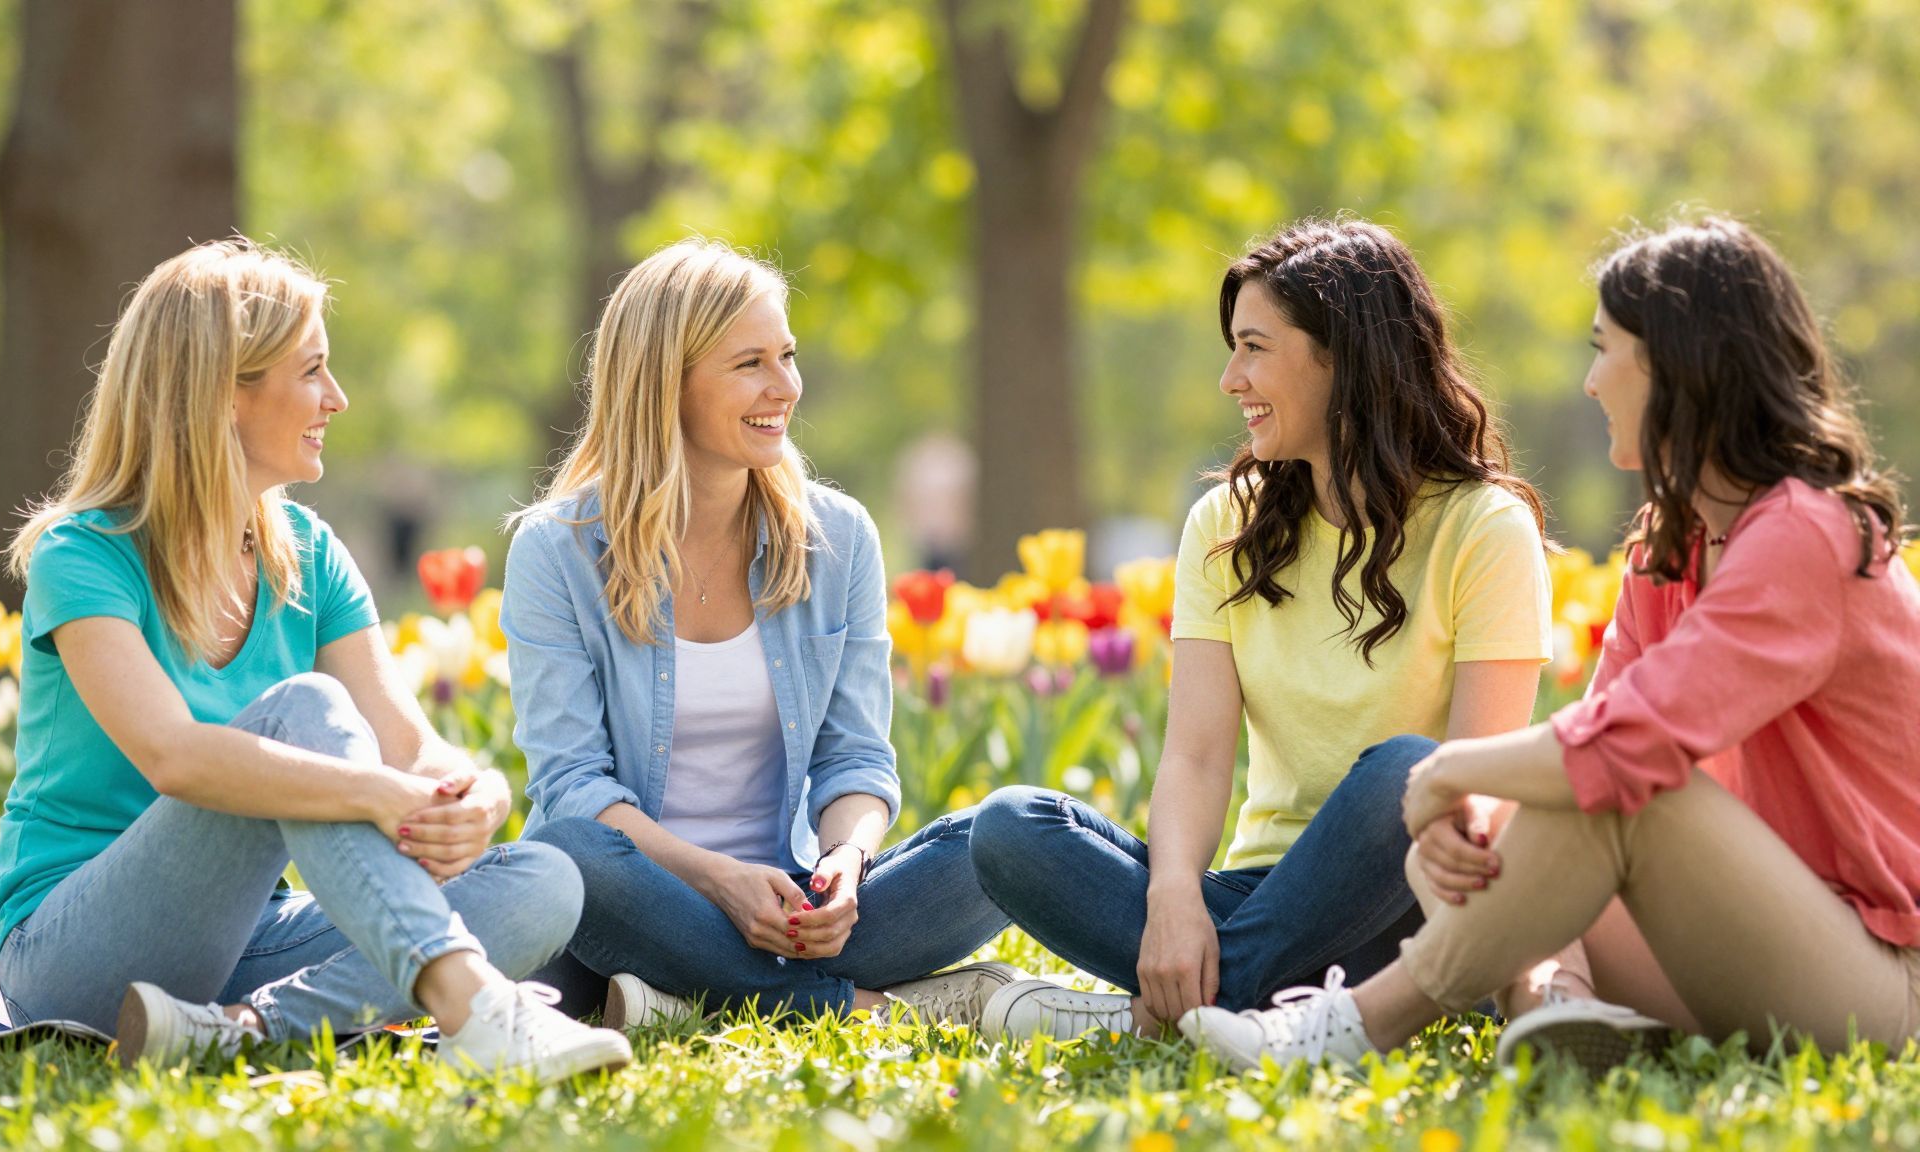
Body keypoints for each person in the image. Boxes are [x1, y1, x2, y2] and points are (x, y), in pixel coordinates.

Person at [1179, 217, 1920, 1076]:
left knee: (1627, 791)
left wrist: (1444, 776)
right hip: (1742, 940)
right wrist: (1470, 813)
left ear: (1680, 365)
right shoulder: (1669, 547)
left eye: (1606, 351)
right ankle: (1554, 1008)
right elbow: (1592, 737)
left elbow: (1626, 746)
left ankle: (1352, 1027)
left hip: (1883, 975)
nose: (1591, 382)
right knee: (1487, 825)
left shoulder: (1806, 534)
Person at [0, 238, 629, 1078]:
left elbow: (411, 748)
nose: (338, 398)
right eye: (313, 370)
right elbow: (175, 757)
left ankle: (241, 1028)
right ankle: (476, 1008)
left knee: (544, 881)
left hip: (247, 940)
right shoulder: (85, 555)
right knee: (306, 709)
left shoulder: (308, 554)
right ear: (223, 392)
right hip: (75, 956)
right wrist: (374, 793)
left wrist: (471, 794)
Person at [969, 218, 1553, 1040]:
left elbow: (1472, 789)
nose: (1229, 379)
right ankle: (1247, 999)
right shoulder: (1224, 526)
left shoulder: (1483, 527)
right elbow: (1197, 755)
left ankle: (1160, 1016)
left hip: (1410, 902)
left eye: (1254, 348)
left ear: (1343, 357)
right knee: (1009, 828)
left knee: (1410, 773)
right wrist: (1175, 897)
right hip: (1258, 892)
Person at [506, 239, 1015, 1028]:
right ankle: (856, 1007)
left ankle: (688, 996)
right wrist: (719, 882)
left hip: (792, 905)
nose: (785, 387)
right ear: (663, 384)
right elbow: (574, 787)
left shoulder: (838, 537)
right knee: (571, 853)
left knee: (1006, 840)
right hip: (637, 903)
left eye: (788, 356)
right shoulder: (557, 550)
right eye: (750, 364)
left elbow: (855, 758)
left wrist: (845, 861)